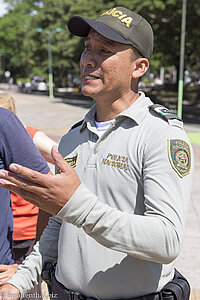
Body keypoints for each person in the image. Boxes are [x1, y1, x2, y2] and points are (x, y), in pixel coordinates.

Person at [0, 6, 194, 300]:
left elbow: (167, 241)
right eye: (87, 47)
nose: (88, 59)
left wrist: (77, 205)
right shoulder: (71, 139)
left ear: (138, 67)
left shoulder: (161, 134)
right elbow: (57, 227)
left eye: (104, 50)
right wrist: (19, 282)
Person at [0, 92, 56, 299]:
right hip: (12, 231)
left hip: (27, 230)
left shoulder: (22, 133)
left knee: (26, 287)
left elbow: (62, 156)